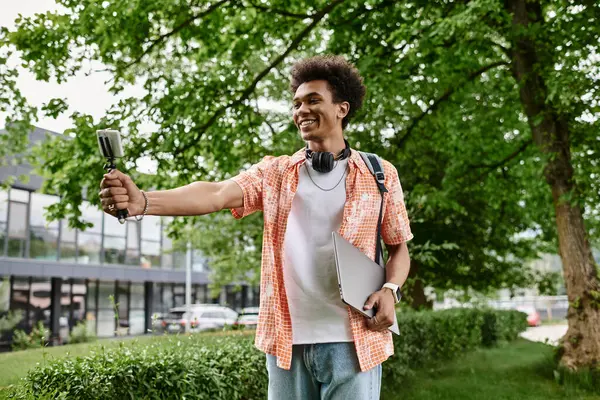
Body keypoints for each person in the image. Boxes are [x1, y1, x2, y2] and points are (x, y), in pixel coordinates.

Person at [99, 55, 413, 400]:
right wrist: (142, 200)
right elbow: (216, 194)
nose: (301, 110)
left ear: (342, 109)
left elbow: (399, 247)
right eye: (296, 103)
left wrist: (390, 289)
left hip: (355, 341)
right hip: (286, 344)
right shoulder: (275, 172)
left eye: (313, 100)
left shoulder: (380, 174)